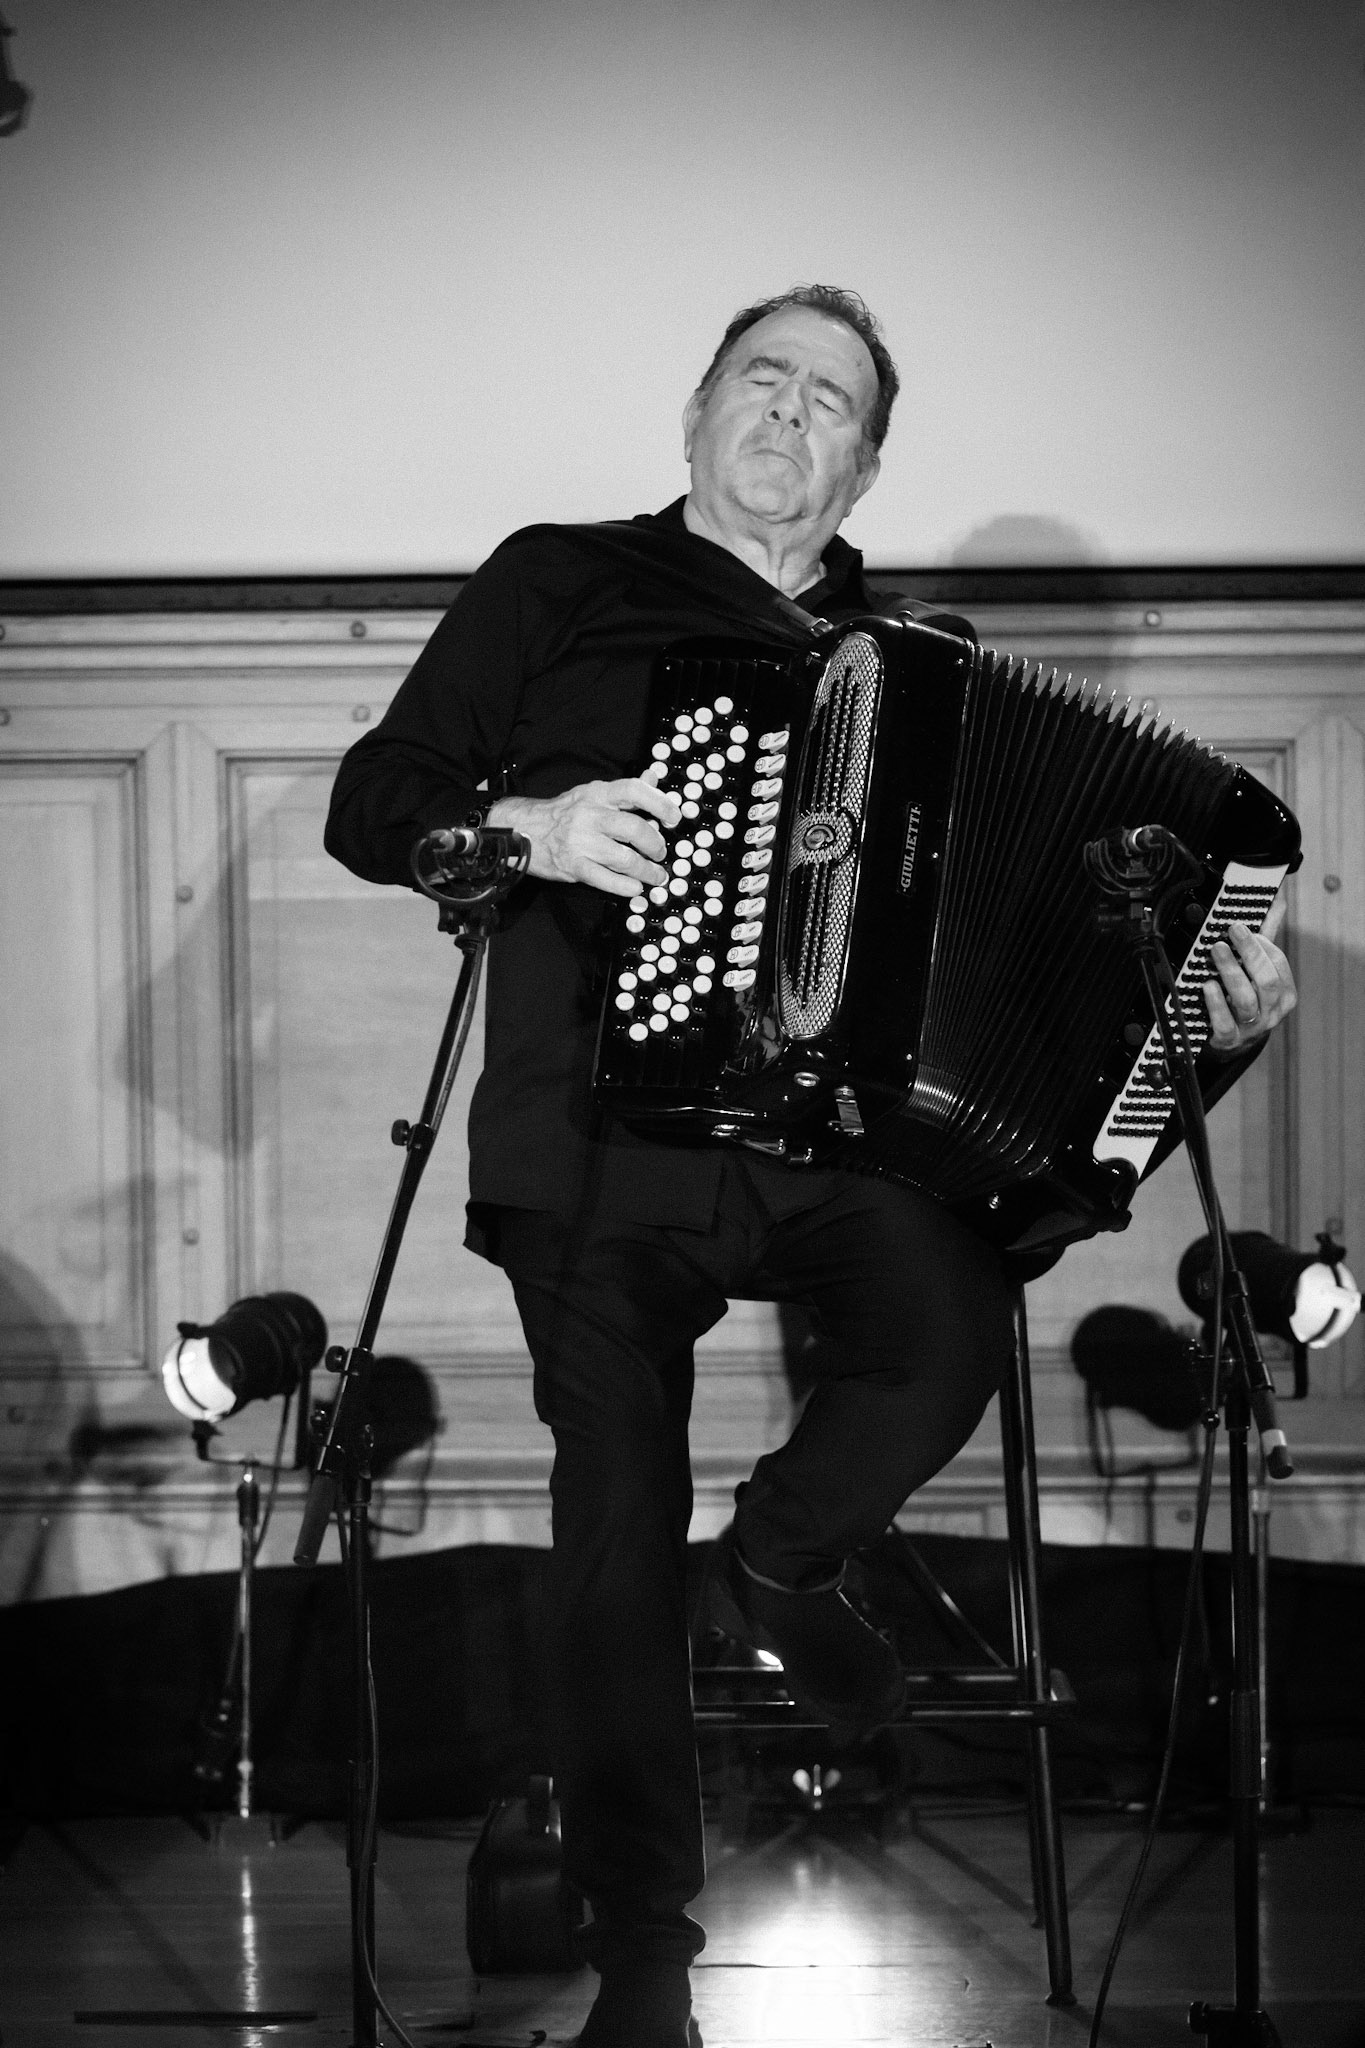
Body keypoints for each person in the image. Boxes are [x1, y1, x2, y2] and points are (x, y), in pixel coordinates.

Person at [325, 285, 1297, 2048]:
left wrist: (1213, 1013)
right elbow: (376, 793)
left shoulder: (927, 669)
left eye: (827, 401)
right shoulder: (557, 580)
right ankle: (645, 1955)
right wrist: (523, 825)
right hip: (604, 1137)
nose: (786, 415)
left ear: (863, 463)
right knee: (609, 1527)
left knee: (945, 1335)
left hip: (843, 1145)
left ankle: (775, 1566)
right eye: (758, 381)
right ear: (694, 413)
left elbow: (1052, 994)